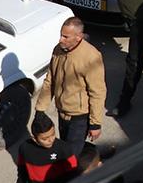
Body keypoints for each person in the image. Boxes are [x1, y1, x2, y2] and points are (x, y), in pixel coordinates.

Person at [37, 17, 105, 161]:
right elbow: (50, 80)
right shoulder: (58, 50)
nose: (61, 39)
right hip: (62, 112)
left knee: (70, 156)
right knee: (66, 147)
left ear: (78, 37)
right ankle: (93, 157)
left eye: (65, 36)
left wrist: (95, 123)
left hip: (79, 117)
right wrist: (40, 109)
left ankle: (74, 179)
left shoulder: (91, 57)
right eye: (61, 35)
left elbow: (97, 93)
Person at [14, 109, 84, 183]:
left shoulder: (64, 149)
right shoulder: (24, 148)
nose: (51, 140)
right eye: (45, 139)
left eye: (53, 134)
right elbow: (22, 168)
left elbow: (73, 174)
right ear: (34, 138)